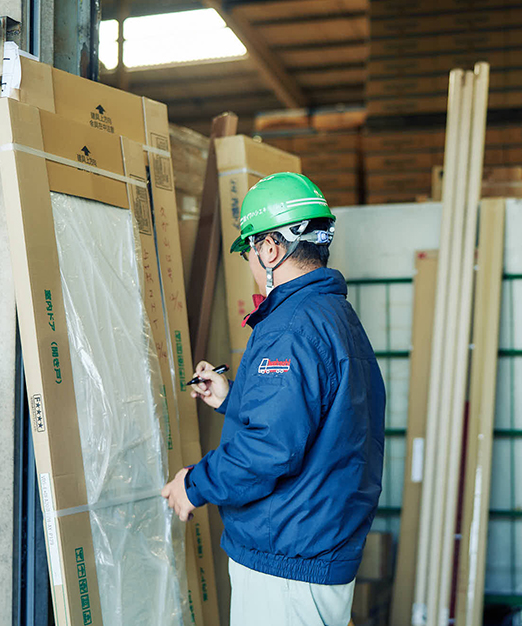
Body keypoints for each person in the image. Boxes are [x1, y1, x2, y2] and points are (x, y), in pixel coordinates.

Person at [161, 172, 386, 626]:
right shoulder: (335, 316)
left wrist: (193, 483)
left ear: (269, 249)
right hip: (317, 548)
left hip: (287, 561)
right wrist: (233, 397)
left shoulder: (290, 327)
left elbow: (267, 449)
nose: (249, 261)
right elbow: (321, 416)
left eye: (248, 250)